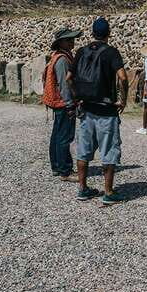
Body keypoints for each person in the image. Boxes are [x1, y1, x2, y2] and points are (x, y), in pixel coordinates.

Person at [67, 17, 129, 205]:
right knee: (109, 151)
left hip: (86, 109)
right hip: (106, 110)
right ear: (108, 33)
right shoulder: (111, 53)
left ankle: (83, 189)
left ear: (92, 33)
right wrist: (123, 100)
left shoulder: (81, 52)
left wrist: (77, 96)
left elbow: (69, 77)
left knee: (83, 151)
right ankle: (108, 192)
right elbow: (123, 78)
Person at [42, 27, 82, 182]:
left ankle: (57, 166)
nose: (72, 41)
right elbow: (65, 84)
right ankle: (65, 170)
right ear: (61, 42)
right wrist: (70, 104)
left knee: (58, 135)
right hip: (63, 103)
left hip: (58, 102)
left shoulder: (57, 57)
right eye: (68, 39)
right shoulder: (63, 60)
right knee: (65, 136)